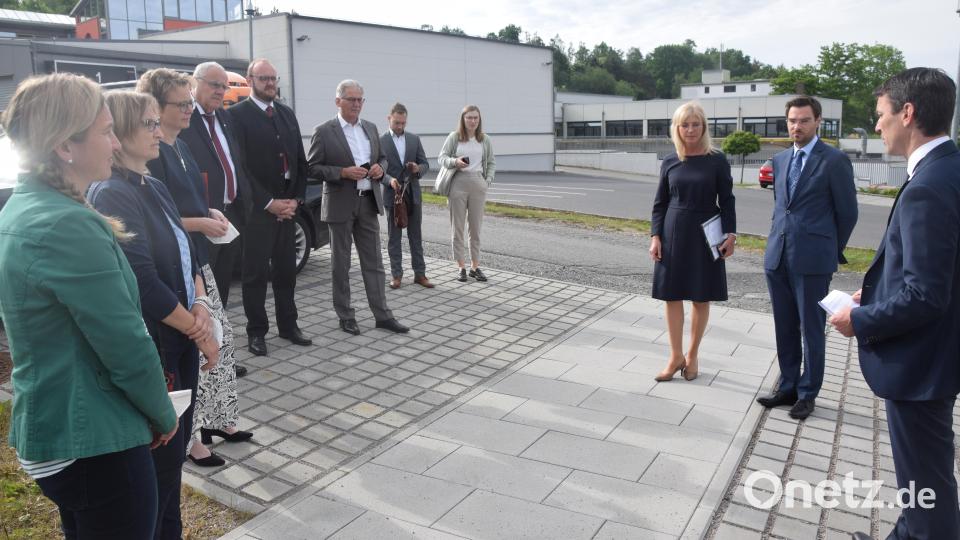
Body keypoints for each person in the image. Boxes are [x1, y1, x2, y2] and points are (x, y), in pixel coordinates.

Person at [0, 73, 177, 540]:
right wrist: (162, 412)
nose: (116, 143)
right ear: (64, 146)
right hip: (91, 437)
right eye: (105, 131)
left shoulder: (26, 207)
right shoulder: (67, 224)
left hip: (61, 426)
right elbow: (123, 341)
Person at [829, 68, 960, 540]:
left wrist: (860, 318)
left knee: (929, 493)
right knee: (921, 482)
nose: (877, 124)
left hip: (921, 365)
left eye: (882, 115)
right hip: (935, 357)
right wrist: (879, 293)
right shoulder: (947, 169)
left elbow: (927, 294)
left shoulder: (927, 186)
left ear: (908, 113)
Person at [88, 90, 219, 539]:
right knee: (159, 471)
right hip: (159, 348)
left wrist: (201, 306)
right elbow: (142, 282)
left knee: (173, 464)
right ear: (119, 134)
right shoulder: (113, 194)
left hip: (181, 340)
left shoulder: (154, 184)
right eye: (147, 124)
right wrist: (198, 331)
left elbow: (186, 256)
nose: (158, 132)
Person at [139, 68, 253, 468]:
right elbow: (158, 220)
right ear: (156, 107)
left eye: (190, 101)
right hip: (176, 264)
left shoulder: (181, 145)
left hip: (197, 259)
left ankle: (221, 421)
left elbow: (185, 203)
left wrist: (208, 213)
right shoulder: (153, 156)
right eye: (181, 103)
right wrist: (199, 223)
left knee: (220, 341)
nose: (189, 108)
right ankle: (190, 439)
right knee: (197, 350)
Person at [756, 95, 858, 420]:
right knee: (784, 325)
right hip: (778, 255)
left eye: (802, 120)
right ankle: (787, 385)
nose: (796, 126)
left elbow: (848, 213)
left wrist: (828, 246)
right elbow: (781, 207)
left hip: (813, 260)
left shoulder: (834, 161)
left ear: (817, 122)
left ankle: (807, 392)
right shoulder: (781, 159)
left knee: (811, 329)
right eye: (791, 121)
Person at [306, 79, 408, 336]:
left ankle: (382, 315)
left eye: (360, 99)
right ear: (337, 101)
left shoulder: (371, 128)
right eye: (351, 99)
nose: (356, 104)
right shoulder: (324, 131)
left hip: (367, 202)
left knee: (374, 263)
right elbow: (312, 168)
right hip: (340, 203)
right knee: (340, 264)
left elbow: (382, 158)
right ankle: (345, 315)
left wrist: (380, 168)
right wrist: (342, 172)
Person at [229, 58, 312, 356]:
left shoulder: (287, 114)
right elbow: (240, 168)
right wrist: (269, 203)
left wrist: (296, 199)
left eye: (273, 78)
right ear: (250, 79)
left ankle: (289, 326)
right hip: (258, 210)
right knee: (254, 275)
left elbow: (300, 162)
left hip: (288, 207)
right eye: (263, 78)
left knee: (286, 272)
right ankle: (256, 332)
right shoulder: (236, 116)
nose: (270, 83)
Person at [648, 101, 736, 382]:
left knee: (700, 296)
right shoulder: (670, 160)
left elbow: (728, 200)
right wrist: (655, 236)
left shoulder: (717, 159)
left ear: (704, 127)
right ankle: (675, 356)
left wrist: (731, 234)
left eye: (695, 124)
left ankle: (693, 353)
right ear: (676, 128)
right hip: (673, 233)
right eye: (684, 124)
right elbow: (660, 203)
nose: (690, 129)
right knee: (671, 295)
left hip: (705, 234)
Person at [177, 61, 252, 307]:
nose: (221, 91)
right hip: (201, 220)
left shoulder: (225, 117)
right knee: (202, 292)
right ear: (195, 82)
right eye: (214, 85)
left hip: (230, 216)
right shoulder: (183, 118)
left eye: (224, 86)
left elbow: (235, 161)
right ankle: (205, 340)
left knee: (221, 287)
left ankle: (220, 339)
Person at [438, 105, 496, 282]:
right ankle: (461, 266)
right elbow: (441, 158)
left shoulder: (484, 139)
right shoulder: (454, 137)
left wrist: (487, 182)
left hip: (478, 183)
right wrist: (455, 161)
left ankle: (475, 267)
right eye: (469, 117)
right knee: (458, 227)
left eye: (475, 118)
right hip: (458, 183)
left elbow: (491, 162)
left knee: (476, 228)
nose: (472, 121)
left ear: (479, 120)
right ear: (463, 119)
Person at [380, 102, 433, 289]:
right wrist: (389, 180)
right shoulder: (380, 141)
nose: (400, 126)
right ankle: (396, 275)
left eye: (403, 123)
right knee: (394, 237)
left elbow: (425, 164)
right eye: (396, 123)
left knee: (415, 236)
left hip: (413, 194)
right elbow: (378, 170)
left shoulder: (414, 139)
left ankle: (420, 274)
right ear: (389, 119)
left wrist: (418, 168)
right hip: (393, 196)